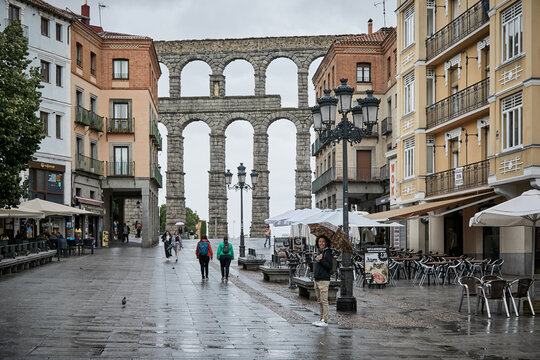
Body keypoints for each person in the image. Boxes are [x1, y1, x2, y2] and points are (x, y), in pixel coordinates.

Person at [312, 235, 333, 327]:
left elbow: (329, 266)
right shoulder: (320, 252)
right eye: (319, 241)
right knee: (320, 300)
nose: (321, 243)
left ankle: (325, 319)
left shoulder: (328, 253)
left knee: (324, 300)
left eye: (323, 242)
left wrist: (321, 260)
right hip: (317, 279)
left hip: (324, 279)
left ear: (326, 243)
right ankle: (321, 318)